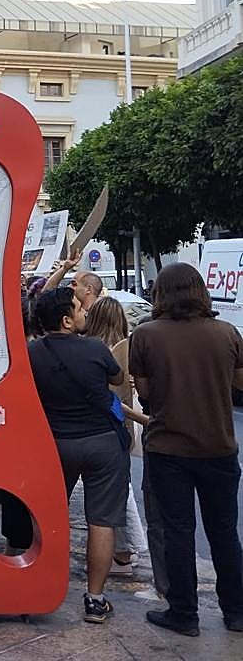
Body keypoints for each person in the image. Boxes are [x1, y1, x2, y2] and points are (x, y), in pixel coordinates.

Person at [130, 263, 243, 637]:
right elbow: (238, 384)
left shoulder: (145, 335)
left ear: (161, 292)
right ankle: (236, 611)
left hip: (168, 447)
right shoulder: (228, 333)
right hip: (219, 446)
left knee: (178, 531)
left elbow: (144, 393)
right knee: (224, 531)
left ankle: (184, 612)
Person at [28, 287, 130, 625]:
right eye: (78, 308)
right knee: (101, 521)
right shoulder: (95, 349)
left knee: (48, 516)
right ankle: (95, 599)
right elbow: (117, 377)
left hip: (53, 445)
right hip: (102, 443)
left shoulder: (32, 353)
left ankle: (35, 586)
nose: (85, 311)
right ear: (67, 320)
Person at [84, 296, 148, 578]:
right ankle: (124, 551)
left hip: (95, 429)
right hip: (117, 430)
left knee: (108, 501)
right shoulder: (123, 349)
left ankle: (122, 551)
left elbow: (106, 399)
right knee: (120, 492)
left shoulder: (89, 350)